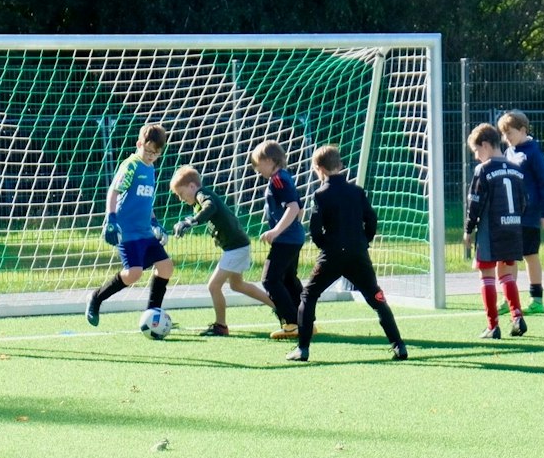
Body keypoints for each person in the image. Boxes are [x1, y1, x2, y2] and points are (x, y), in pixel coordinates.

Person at [291, 145, 407, 363]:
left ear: (319, 169)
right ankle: (399, 345)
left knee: (308, 295)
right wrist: (364, 241)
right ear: (340, 165)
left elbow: (314, 229)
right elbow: (371, 219)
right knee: (377, 298)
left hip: (332, 255)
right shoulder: (357, 191)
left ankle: (303, 348)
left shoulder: (320, 195)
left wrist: (326, 245)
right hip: (358, 254)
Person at [169, 165, 274, 337]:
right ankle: (280, 307)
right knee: (237, 285)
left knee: (213, 286)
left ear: (192, 186)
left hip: (236, 248)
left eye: (181, 194)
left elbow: (210, 207)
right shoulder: (199, 197)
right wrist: (188, 223)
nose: (181, 199)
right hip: (236, 246)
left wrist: (191, 222)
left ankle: (221, 326)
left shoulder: (203, 195)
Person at [86, 124, 172, 328]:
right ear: (139, 144)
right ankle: (96, 298)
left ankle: (153, 314)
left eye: (156, 153)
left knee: (166, 267)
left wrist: (154, 222)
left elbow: (146, 200)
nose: (151, 156)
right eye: (148, 151)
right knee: (134, 273)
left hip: (144, 231)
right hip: (128, 232)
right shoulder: (131, 165)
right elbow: (114, 191)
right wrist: (111, 218)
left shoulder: (151, 168)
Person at [463, 123, 529, 340]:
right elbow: (523, 202)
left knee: (486, 275)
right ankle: (517, 317)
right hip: (512, 228)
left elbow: (475, 202)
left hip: (491, 231)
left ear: (485, 145)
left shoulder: (483, 170)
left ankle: (492, 326)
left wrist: (468, 230)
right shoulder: (517, 170)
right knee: (507, 275)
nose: (476, 157)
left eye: (476, 151)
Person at [498, 111, 544, 313]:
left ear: (523, 130)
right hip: (511, 214)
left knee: (530, 255)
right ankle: (509, 299)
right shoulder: (508, 153)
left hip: (529, 215)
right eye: (503, 135)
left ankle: (537, 299)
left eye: (510, 133)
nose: (506, 138)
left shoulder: (533, 153)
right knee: (510, 256)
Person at [250, 141, 306, 341]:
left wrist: (276, 230)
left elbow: (292, 207)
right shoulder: (285, 177)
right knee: (288, 280)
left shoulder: (277, 180)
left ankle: (291, 323)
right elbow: (300, 209)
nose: (257, 169)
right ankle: (305, 320)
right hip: (294, 238)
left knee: (270, 280)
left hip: (286, 240)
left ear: (269, 160)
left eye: (258, 164)